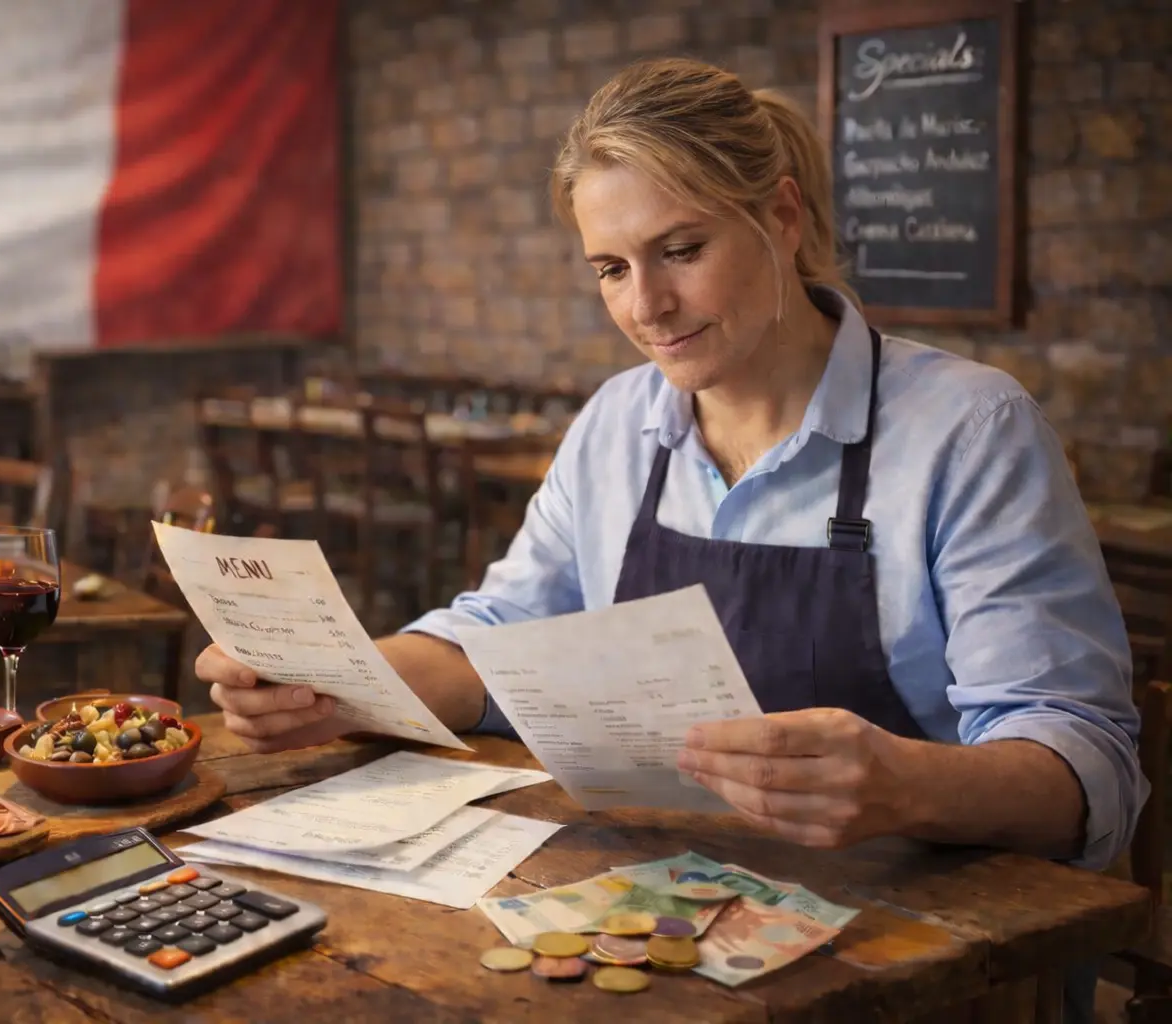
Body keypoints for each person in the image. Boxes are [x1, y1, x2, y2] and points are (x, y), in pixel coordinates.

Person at [197, 56, 1145, 913]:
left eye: (682, 250)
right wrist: (341, 687)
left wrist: (905, 785)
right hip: (661, 908)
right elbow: (500, 637)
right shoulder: (617, 423)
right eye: (612, 269)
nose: (646, 306)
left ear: (781, 217)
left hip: (926, 935)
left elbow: (1085, 770)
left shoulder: (969, 431)